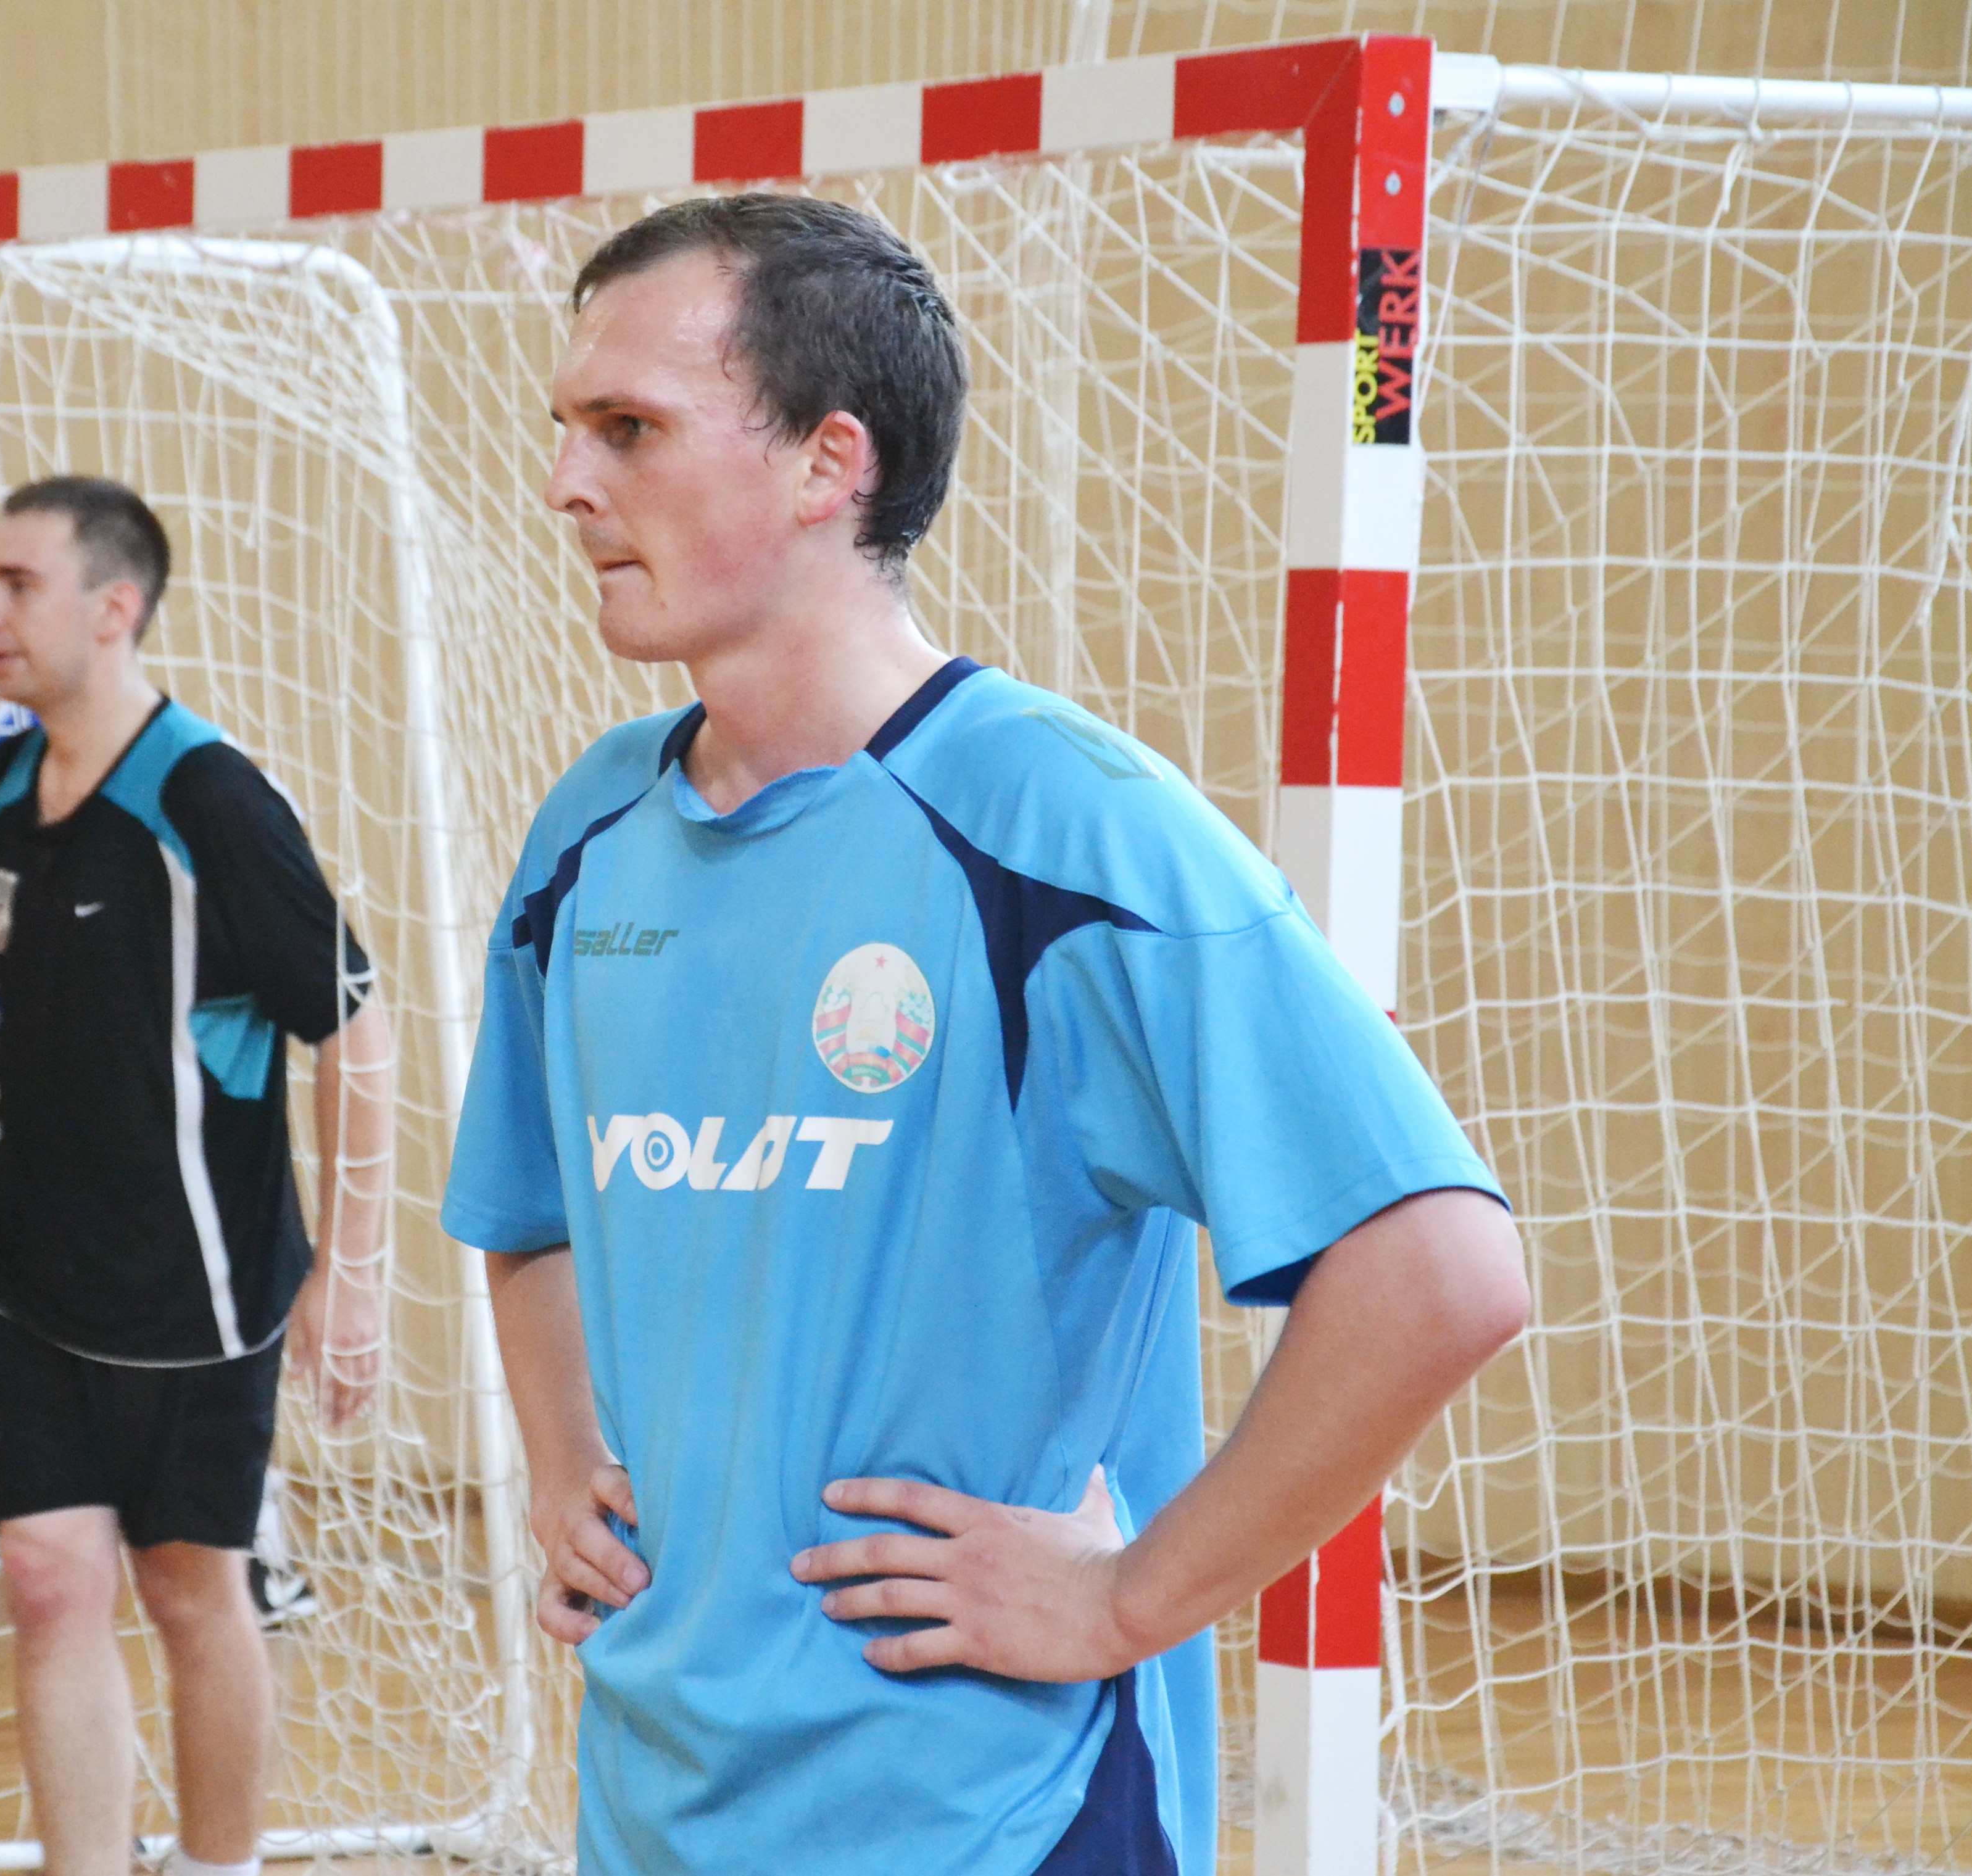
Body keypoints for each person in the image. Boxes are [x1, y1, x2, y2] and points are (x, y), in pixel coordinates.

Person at [441, 194, 1528, 1876]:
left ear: (828, 464)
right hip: (652, 1805)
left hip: (993, 1820)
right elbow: (527, 1211)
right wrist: (562, 1450)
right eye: (568, 429)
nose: (566, 483)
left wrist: (1126, 1599)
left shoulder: (1064, 829)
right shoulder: (587, 835)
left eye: (628, 429)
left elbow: (1441, 1272)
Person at [0, 476, 393, 1876]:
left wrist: (351, 1274)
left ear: (113, 609)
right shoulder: (11, 777)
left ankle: (217, 1865)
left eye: (16, 585)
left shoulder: (210, 801)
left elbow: (355, 1030)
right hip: (21, 1263)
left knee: (190, 1592)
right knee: (44, 1580)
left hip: (193, 1282)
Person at [0, 569, 322, 1629]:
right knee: (11, 1306)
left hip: (158, 1106)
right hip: (44, 1093)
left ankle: (258, 1556)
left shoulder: (88, 760)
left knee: (199, 1345)